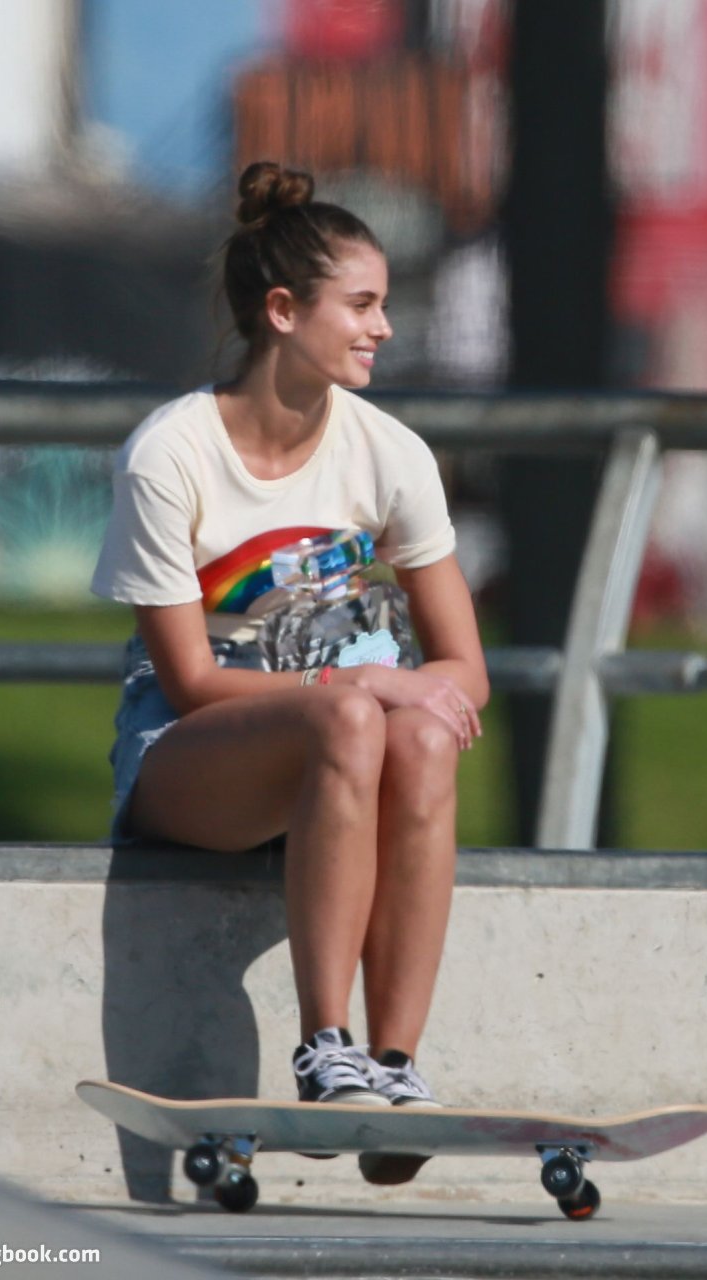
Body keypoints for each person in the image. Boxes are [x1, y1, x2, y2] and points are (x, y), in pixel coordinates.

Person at [91, 161, 489, 1127]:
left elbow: (463, 669)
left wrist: (394, 693)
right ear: (281, 310)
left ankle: (395, 1066)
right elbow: (189, 681)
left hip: (345, 743)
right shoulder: (171, 454)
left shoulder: (390, 451)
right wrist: (368, 687)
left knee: (420, 732)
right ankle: (326, 1046)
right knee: (355, 714)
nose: (382, 327)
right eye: (360, 305)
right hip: (189, 759)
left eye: (382, 304)